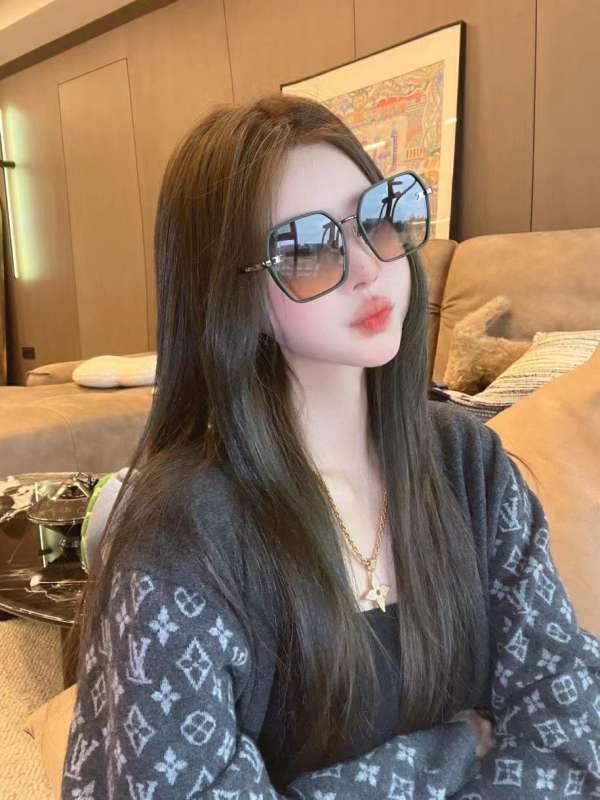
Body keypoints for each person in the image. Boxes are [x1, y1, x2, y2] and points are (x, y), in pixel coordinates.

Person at [60, 93, 600, 799]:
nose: (369, 266)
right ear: (233, 295)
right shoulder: (183, 537)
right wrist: (451, 750)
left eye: (376, 217)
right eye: (306, 248)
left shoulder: (473, 465)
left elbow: (571, 734)